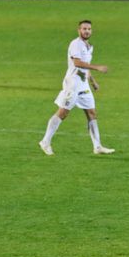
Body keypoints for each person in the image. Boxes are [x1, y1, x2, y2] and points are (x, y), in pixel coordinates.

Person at [39, 20, 114, 156]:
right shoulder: (76, 44)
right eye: (84, 29)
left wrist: (93, 81)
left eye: (89, 29)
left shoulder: (89, 46)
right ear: (78, 30)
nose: (87, 31)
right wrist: (97, 67)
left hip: (83, 84)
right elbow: (77, 63)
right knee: (63, 113)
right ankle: (45, 141)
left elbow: (85, 65)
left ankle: (97, 146)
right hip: (73, 84)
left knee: (91, 113)